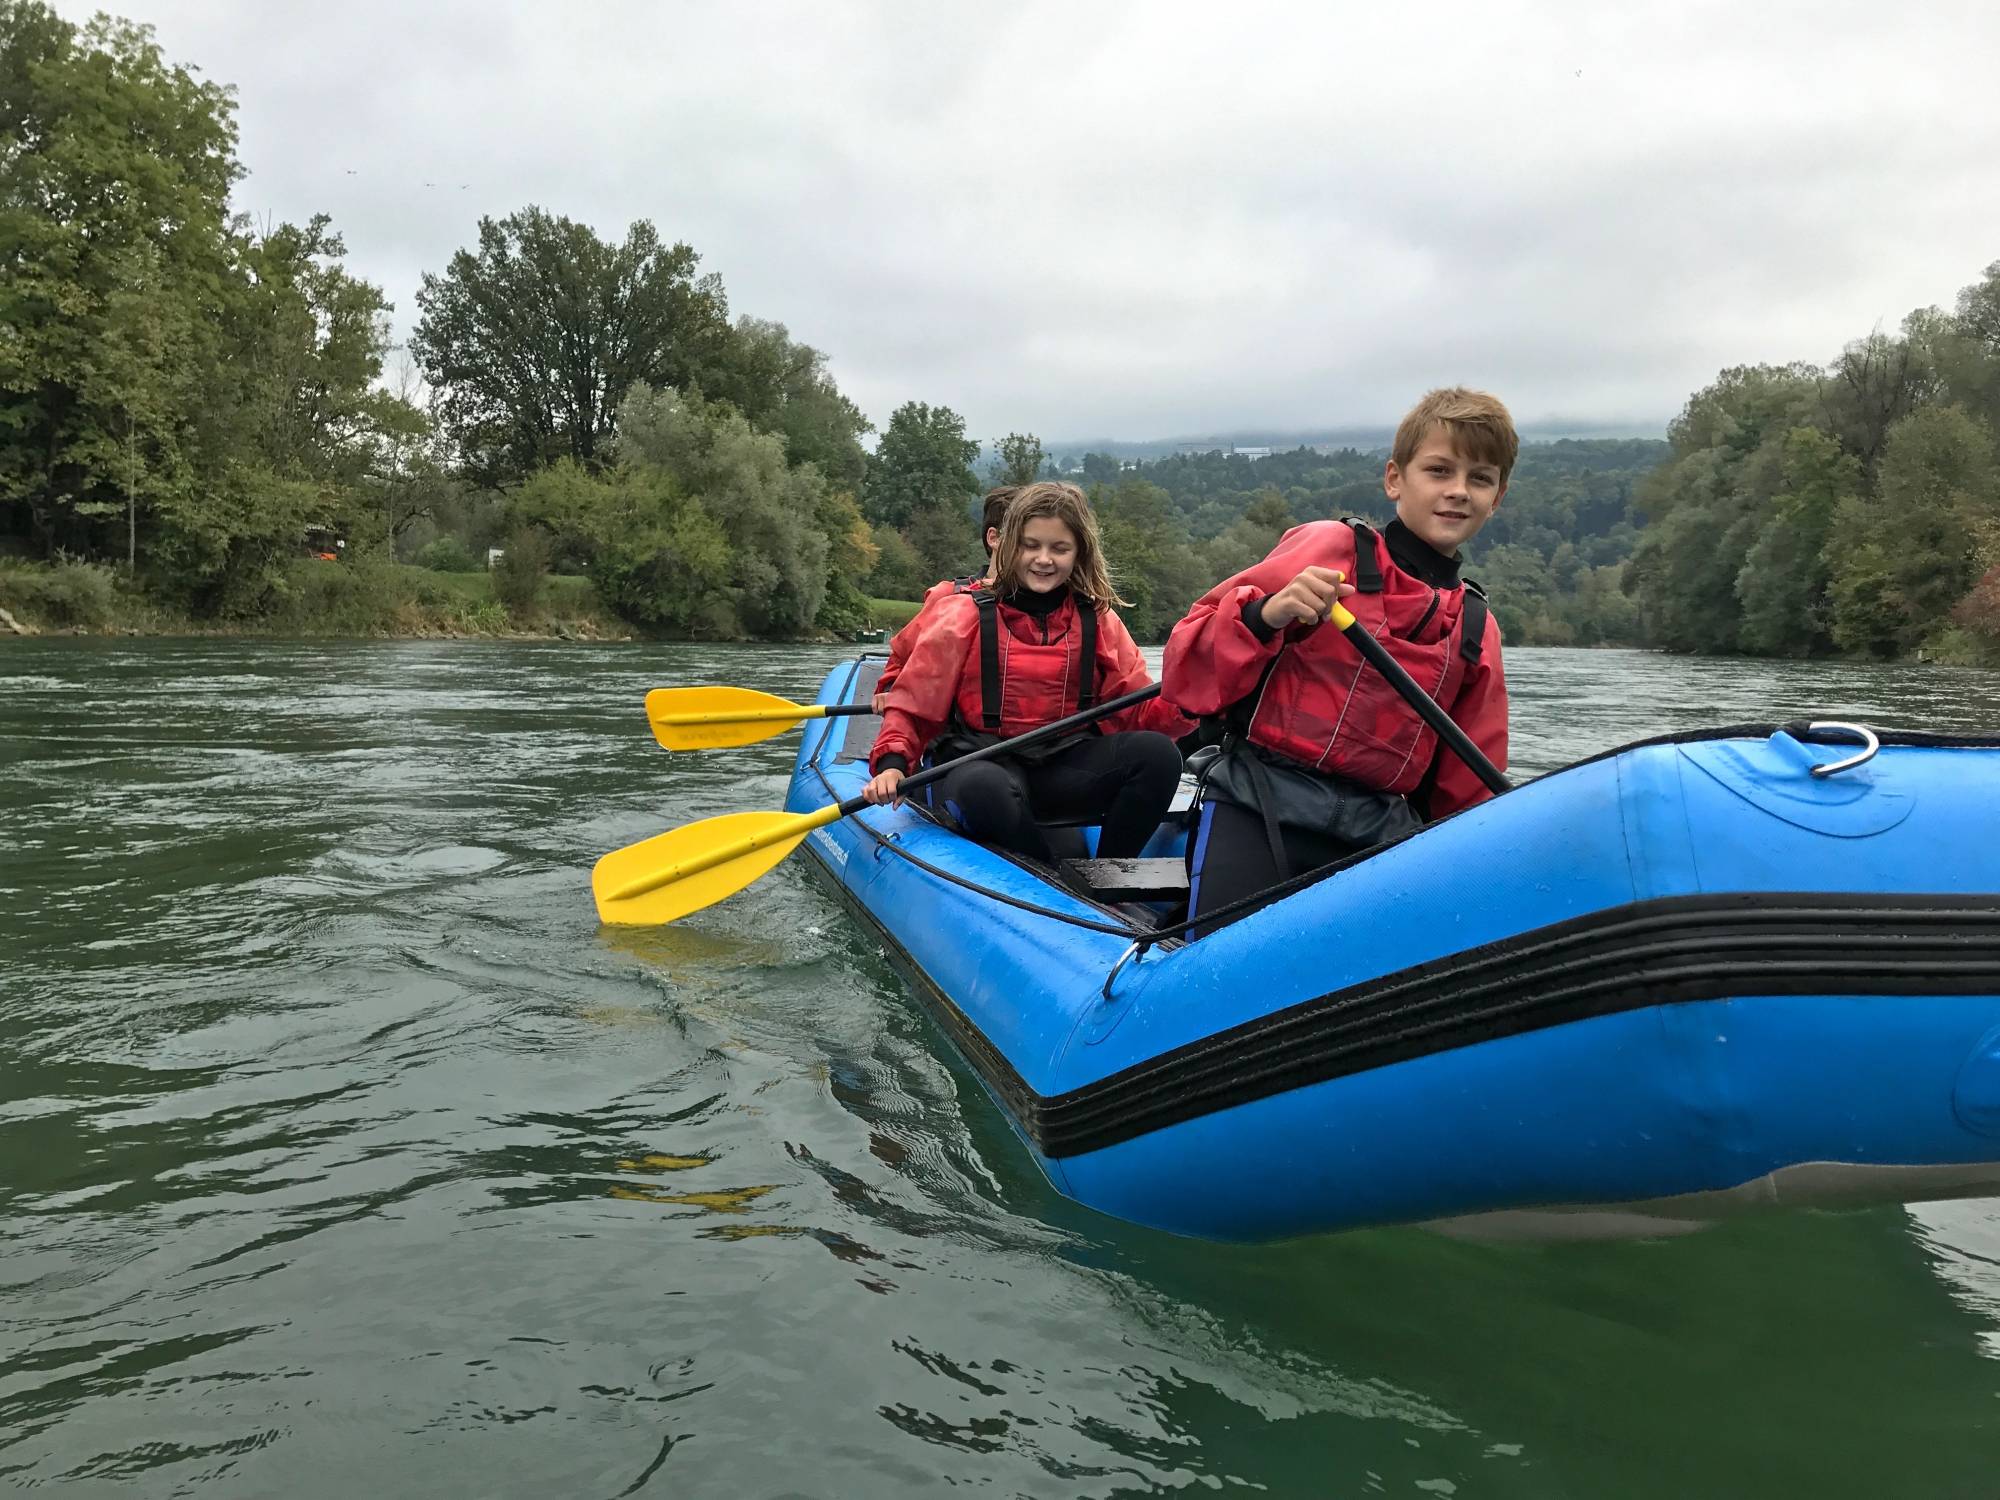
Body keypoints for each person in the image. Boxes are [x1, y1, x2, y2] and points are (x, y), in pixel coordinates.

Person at [1163, 387, 1515, 928]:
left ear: (1498, 497)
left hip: (1377, 839)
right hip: (1259, 803)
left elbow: (1469, 794)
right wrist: (1266, 615)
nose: (1458, 491)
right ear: (1395, 479)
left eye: (1480, 479)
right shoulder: (1329, 549)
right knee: (1216, 956)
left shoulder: (1475, 627)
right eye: (1439, 471)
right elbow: (1185, 671)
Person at [863, 481, 1192, 864]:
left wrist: (1189, 704)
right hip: (979, 764)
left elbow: (1136, 711)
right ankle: (1049, 872)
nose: (1044, 559)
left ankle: (1110, 874)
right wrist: (892, 765)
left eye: (1059, 548)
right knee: (984, 786)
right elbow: (914, 704)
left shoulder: (1098, 619)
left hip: (1063, 767)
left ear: (1079, 553)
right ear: (1008, 546)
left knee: (1159, 755)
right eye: (1030, 545)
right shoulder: (961, 613)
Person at [871, 486, 1016, 713]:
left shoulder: (1053, 604)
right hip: (954, 728)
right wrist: (891, 688)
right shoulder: (947, 596)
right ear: (994, 538)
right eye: (1024, 539)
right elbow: (901, 659)